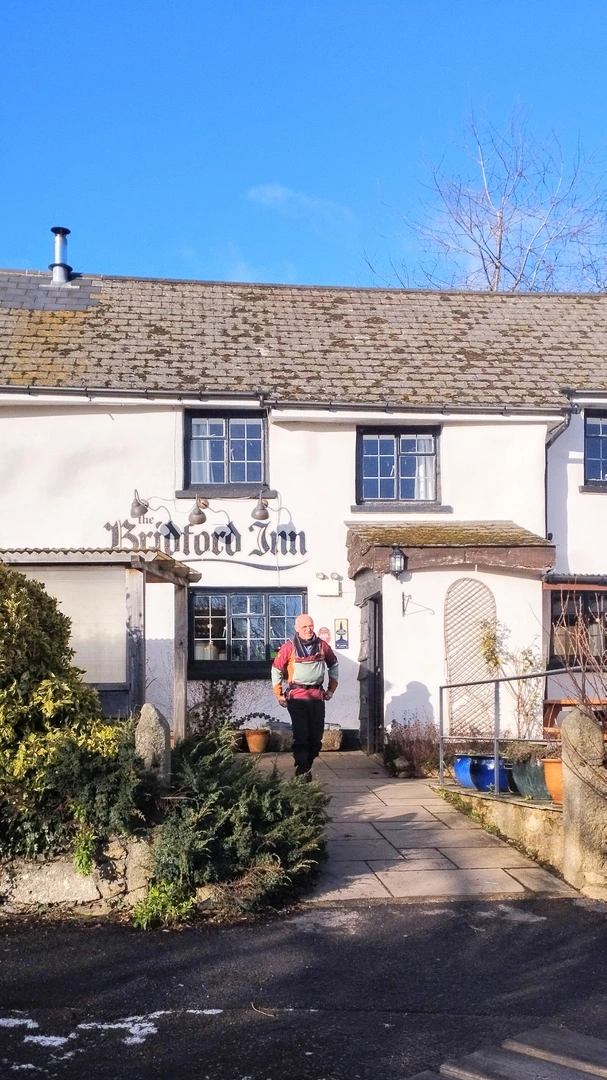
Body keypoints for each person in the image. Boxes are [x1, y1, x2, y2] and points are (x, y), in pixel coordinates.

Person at [271, 614, 339, 780]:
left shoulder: (323, 646)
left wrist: (331, 689)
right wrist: (279, 694)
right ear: (297, 629)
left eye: (311, 626)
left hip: (317, 697)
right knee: (301, 735)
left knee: (316, 739)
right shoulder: (289, 648)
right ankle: (302, 772)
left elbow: (334, 665)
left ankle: (306, 765)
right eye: (304, 627)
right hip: (297, 698)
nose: (308, 630)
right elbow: (276, 670)